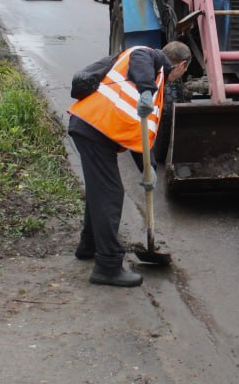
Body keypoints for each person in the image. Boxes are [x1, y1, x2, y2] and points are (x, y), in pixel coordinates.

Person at [67, 41, 191, 286]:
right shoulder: (146, 56)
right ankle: (108, 266)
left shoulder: (157, 83)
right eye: (183, 72)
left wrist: (149, 169)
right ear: (181, 65)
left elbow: (141, 133)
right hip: (94, 129)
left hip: (95, 131)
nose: (179, 77)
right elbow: (139, 60)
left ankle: (88, 245)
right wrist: (146, 90)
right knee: (110, 195)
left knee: (100, 192)